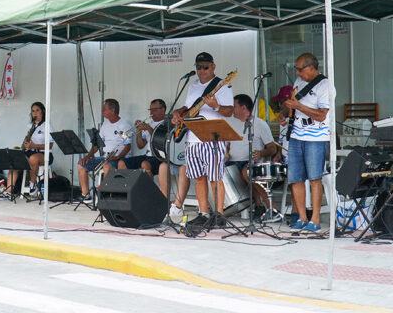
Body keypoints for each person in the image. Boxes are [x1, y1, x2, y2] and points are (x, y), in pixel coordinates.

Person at [172, 52, 233, 228]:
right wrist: (178, 112)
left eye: (205, 67)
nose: (201, 70)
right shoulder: (193, 86)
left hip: (212, 138)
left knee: (215, 178)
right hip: (192, 138)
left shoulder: (222, 85)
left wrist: (216, 106)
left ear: (213, 66)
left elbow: (229, 111)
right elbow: (188, 107)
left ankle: (219, 215)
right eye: (198, 67)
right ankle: (203, 213)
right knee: (198, 178)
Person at [282, 52, 329, 233]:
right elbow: (293, 106)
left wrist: (299, 106)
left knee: (315, 178)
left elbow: (322, 115)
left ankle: (315, 219)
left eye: (300, 69)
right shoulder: (299, 82)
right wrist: (285, 113)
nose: (297, 73)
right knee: (295, 178)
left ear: (311, 67)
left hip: (316, 137)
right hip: (296, 135)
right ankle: (301, 217)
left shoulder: (324, 85)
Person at [226, 94, 282, 222]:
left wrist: (261, 153)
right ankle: (219, 210)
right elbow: (228, 145)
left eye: (234, 106)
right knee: (215, 169)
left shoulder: (260, 124)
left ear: (243, 108)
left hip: (251, 162)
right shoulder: (232, 123)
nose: (232, 109)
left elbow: (272, 148)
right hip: (233, 162)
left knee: (247, 172)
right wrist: (226, 154)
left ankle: (269, 208)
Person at [77, 99, 132, 203]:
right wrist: (87, 156)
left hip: (118, 158)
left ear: (112, 110)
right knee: (81, 165)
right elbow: (97, 144)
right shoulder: (105, 125)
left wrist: (117, 157)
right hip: (106, 157)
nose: (102, 111)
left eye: (105, 109)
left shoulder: (123, 126)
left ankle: (104, 197)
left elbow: (127, 146)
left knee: (106, 167)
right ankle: (85, 195)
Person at [0, 102, 53, 200]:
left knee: (33, 159)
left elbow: (50, 145)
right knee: (14, 160)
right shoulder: (30, 126)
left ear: (43, 111)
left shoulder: (47, 125)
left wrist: (34, 145)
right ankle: (8, 192)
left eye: (37, 110)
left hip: (44, 154)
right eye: (33, 111)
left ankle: (32, 184)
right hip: (30, 151)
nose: (35, 113)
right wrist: (25, 145)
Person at [118, 99, 166, 195]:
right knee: (122, 163)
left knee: (145, 164)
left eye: (155, 110)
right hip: (147, 156)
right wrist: (139, 131)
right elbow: (140, 145)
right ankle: (126, 194)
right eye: (150, 110)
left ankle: (150, 195)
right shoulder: (150, 124)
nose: (151, 113)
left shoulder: (166, 123)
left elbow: (161, 140)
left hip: (160, 157)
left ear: (163, 110)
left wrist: (148, 128)